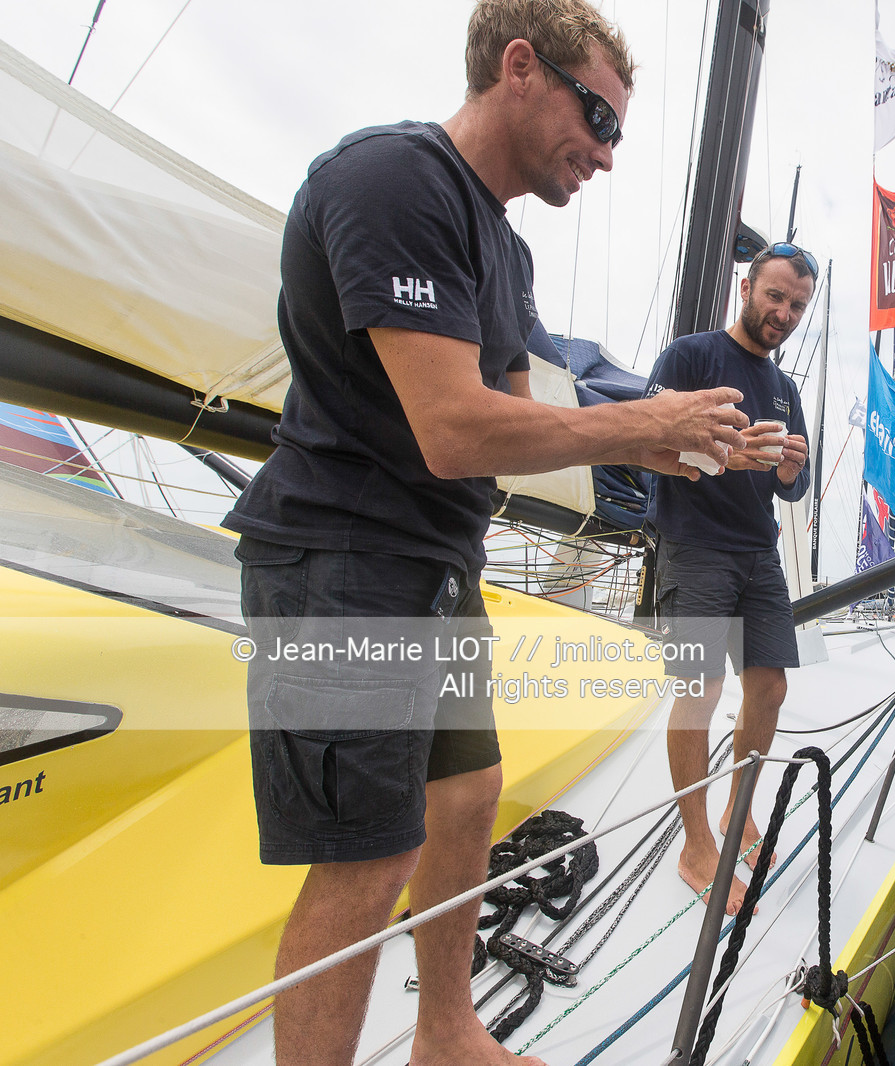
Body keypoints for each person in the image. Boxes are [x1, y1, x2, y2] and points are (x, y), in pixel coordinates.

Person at [221, 4, 751, 1063]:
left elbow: (516, 430)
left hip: (430, 566)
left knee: (465, 796)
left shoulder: (505, 256)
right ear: (521, 68)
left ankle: (446, 1030)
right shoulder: (392, 180)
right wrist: (637, 421)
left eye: (615, 135)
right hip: (342, 561)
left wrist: (653, 446)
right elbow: (455, 429)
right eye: (596, 117)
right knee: (365, 858)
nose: (604, 154)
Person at [644, 242, 815, 914]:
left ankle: (739, 812)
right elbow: (648, 447)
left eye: (797, 304)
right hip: (693, 545)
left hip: (757, 551)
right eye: (775, 296)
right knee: (700, 689)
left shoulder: (785, 388)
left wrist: (789, 471)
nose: (784, 312)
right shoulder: (690, 356)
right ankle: (694, 845)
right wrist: (725, 453)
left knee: (768, 688)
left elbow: (790, 492)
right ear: (747, 286)